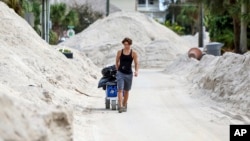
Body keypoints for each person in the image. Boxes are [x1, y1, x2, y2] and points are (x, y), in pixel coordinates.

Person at [116, 37, 139, 113]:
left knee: (126, 91)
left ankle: (124, 104)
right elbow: (116, 61)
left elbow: (136, 63)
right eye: (125, 44)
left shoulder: (133, 53)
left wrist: (136, 71)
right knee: (120, 90)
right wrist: (117, 69)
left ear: (130, 44)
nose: (126, 46)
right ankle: (120, 106)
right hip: (120, 73)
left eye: (128, 44)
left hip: (129, 74)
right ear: (123, 44)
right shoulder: (120, 52)